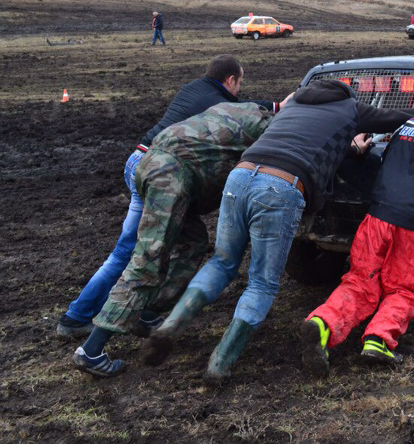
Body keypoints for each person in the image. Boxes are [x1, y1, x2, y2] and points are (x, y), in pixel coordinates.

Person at [143, 80, 414, 382]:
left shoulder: (294, 106)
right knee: (262, 284)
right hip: (281, 186)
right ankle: (220, 363)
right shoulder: (348, 107)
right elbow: (396, 118)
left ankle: (172, 323)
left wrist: (351, 149)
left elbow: (306, 141)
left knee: (222, 262)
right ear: (345, 95)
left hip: (240, 176)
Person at [56, 54, 280, 339]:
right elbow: (238, 112)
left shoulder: (192, 88)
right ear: (230, 79)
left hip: (141, 159)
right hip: (158, 167)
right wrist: (277, 107)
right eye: (240, 83)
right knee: (132, 250)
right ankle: (77, 319)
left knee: (188, 240)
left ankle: (143, 313)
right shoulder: (216, 100)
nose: (240, 90)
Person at [72, 99, 291, 377]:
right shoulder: (268, 126)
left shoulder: (241, 108)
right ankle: (91, 350)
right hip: (170, 175)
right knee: (147, 260)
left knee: (194, 242)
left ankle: (147, 313)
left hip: (154, 162)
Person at [300, 87, 414, 377]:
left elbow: (385, 160)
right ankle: (379, 341)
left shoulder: (410, 125)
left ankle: (323, 323)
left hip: (377, 216)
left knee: (360, 281)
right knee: (404, 289)